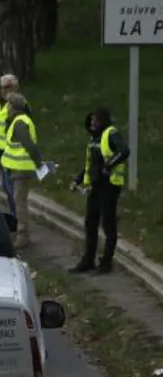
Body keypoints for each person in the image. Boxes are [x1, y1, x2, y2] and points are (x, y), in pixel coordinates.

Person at [70, 108, 130, 275]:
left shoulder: (111, 133)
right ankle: (88, 260)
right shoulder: (93, 139)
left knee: (108, 224)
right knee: (90, 223)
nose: (92, 123)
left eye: (95, 120)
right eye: (91, 120)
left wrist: (108, 165)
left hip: (109, 186)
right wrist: (78, 179)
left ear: (102, 120)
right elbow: (90, 164)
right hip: (95, 186)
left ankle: (106, 263)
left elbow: (124, 151)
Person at [0, 92, 45, 249]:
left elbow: (29, 145)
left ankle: (23, 235)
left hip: (21, 169)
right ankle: (21, 231)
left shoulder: (20, 123)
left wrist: (39, 164)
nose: (6, 108)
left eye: (8, 105)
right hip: (16, 168)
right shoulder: (17, 121)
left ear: (14, 106)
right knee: (18, 201)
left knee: (20, 202)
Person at [0, 74, 22, 216]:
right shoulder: (2, 104)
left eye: (7, 87)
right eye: (2, 87)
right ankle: (15, 217)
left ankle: (17, 218)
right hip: (0, 151)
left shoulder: (15, 105)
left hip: (9, 153)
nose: (3, 90)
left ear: (15, 87)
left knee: (11, 188)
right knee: (6, 187)